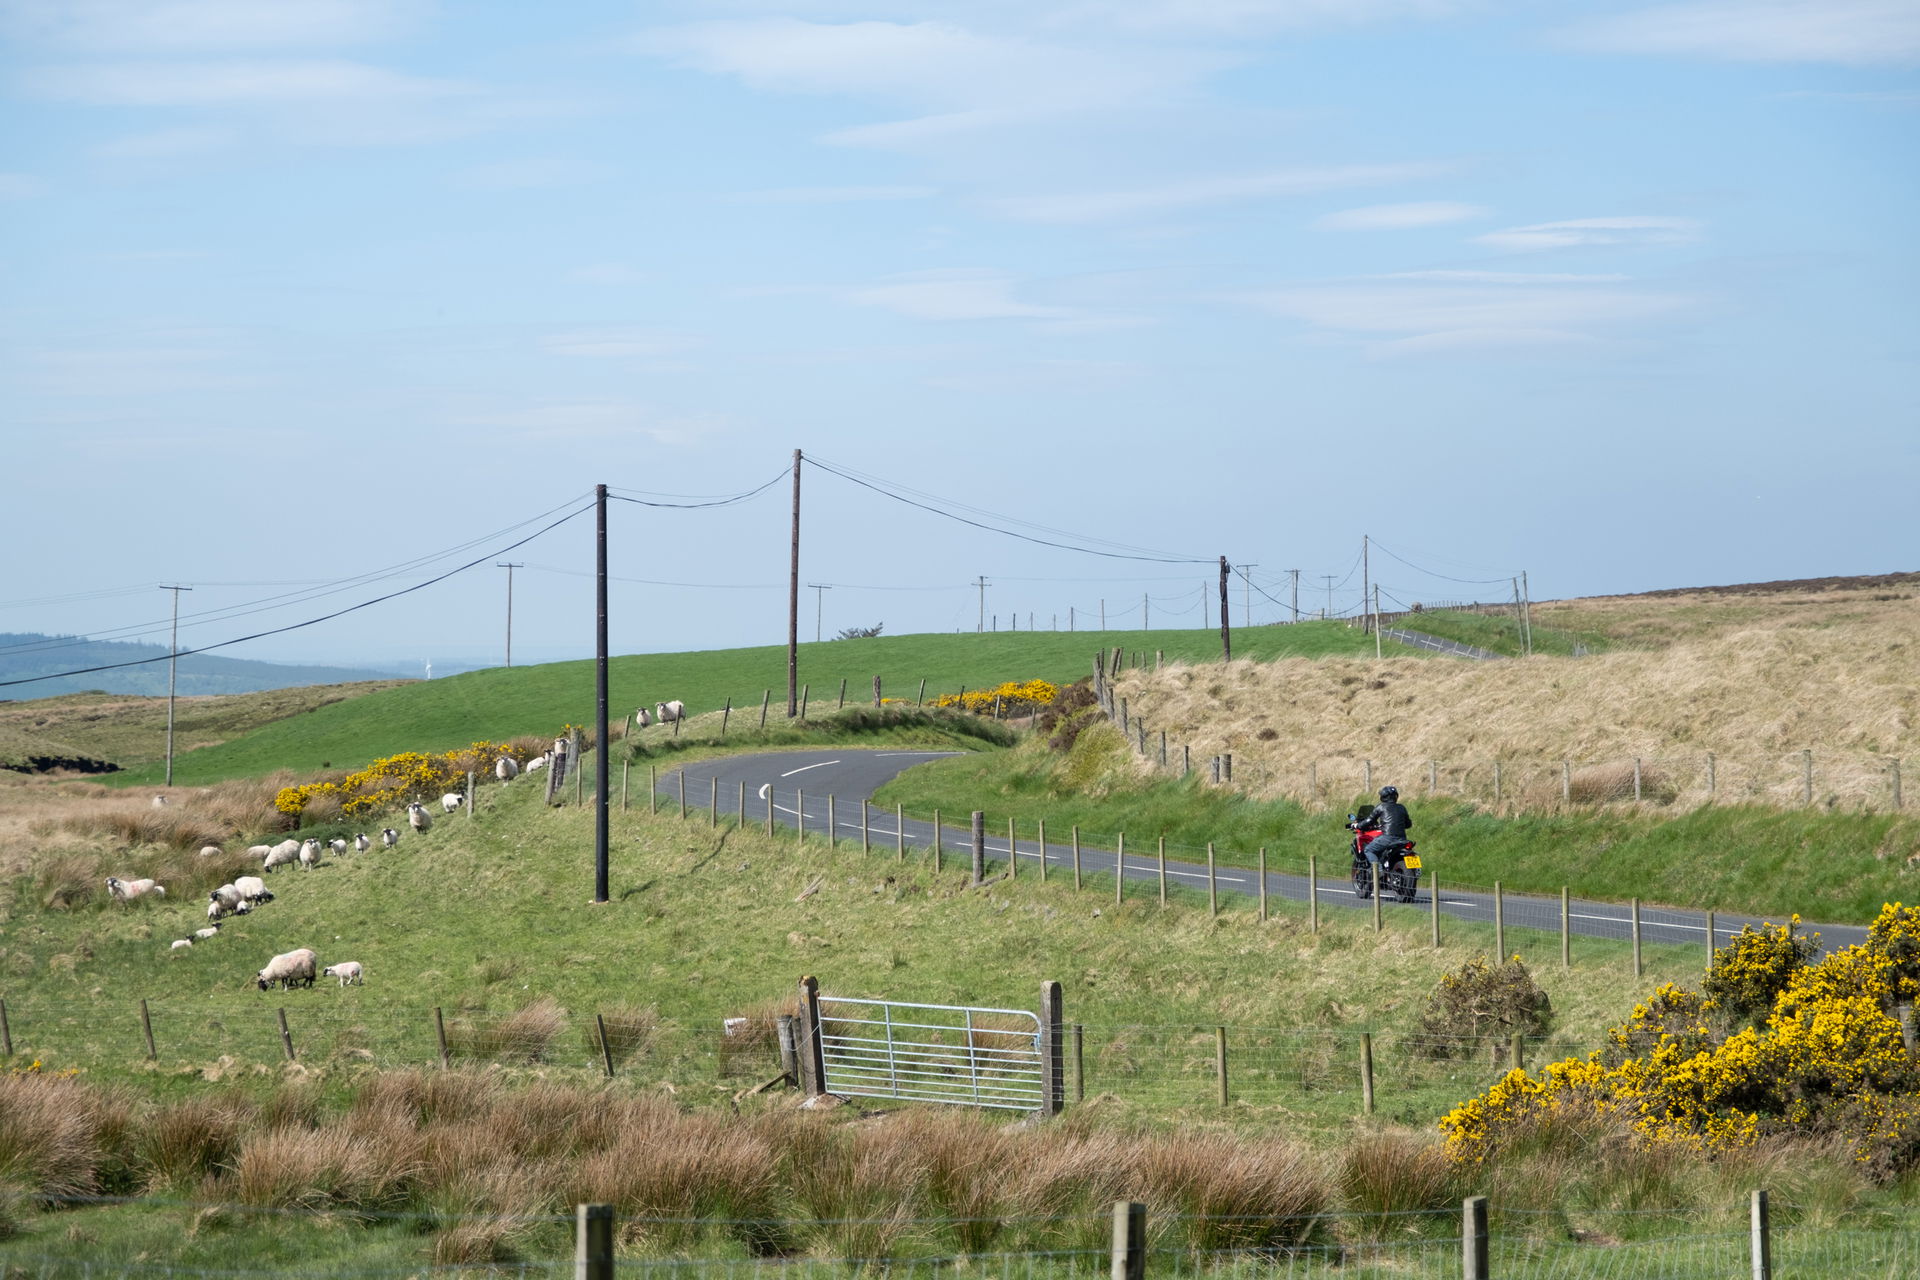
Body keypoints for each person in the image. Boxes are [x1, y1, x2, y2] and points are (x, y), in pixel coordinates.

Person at [1360, 785, 1413, 876]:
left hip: (1388, 838)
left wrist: (1358, 825)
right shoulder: (1402, 807)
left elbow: (1369, 820)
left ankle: (1378, 871)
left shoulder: (1381, 807)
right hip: (1402, 839)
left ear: (1384, 797)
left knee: (1369, 850)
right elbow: (1408, 824)